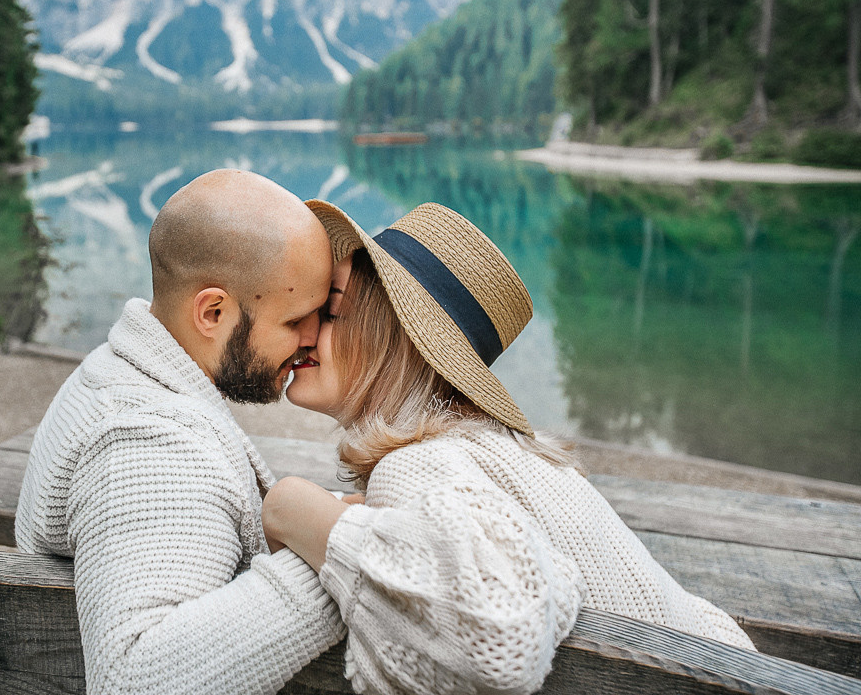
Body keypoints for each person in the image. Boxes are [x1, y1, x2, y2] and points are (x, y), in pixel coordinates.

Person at [263, 200, 756, 695]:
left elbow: (496, 641)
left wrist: (295, 510)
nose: (305, 332)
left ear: (391, 337)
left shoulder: (419, 463)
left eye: (330, 311)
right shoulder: (484, 450)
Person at [15, 170, 345, 694]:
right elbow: (134, 680)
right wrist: (342, 561)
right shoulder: (150, 448)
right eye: (296, 319)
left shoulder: (115, 370)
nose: (313, 339)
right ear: (212, 312)